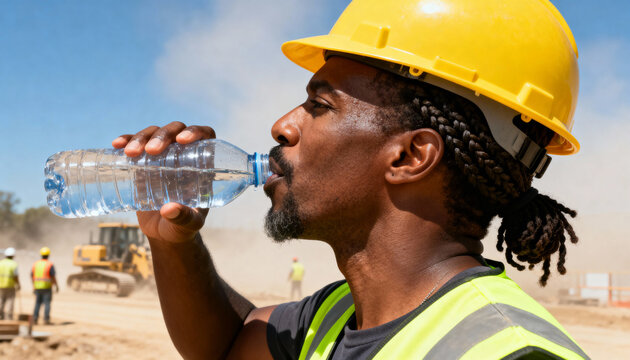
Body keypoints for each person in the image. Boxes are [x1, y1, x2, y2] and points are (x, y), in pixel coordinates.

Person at [112, 0, 588, 358]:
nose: (282, 125)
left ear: (409, 156)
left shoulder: (508, 352)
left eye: (320, 105)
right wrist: (174, 242)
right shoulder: (339, 314)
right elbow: (230, 345)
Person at [31, 246, 58, 325]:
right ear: (48, 255)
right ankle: (46, 320)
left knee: (37, 303)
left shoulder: (36, 264)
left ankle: (35, 319)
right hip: (47, 287)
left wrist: (34, 285)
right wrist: (56, 285)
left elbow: (32, 275)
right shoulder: (49, 264)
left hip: (37, 287)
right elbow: (53, 276)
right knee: (47, 304)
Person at [0, 247, 20, 320]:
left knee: (1, 300)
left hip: (0, 285)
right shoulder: (14, 264)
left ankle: (0, 315)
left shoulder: (1, 263)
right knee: (10, 301)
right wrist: (18, 285)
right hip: (10, 286)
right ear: (13, 255)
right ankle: (9, 317)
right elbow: (16, 276)